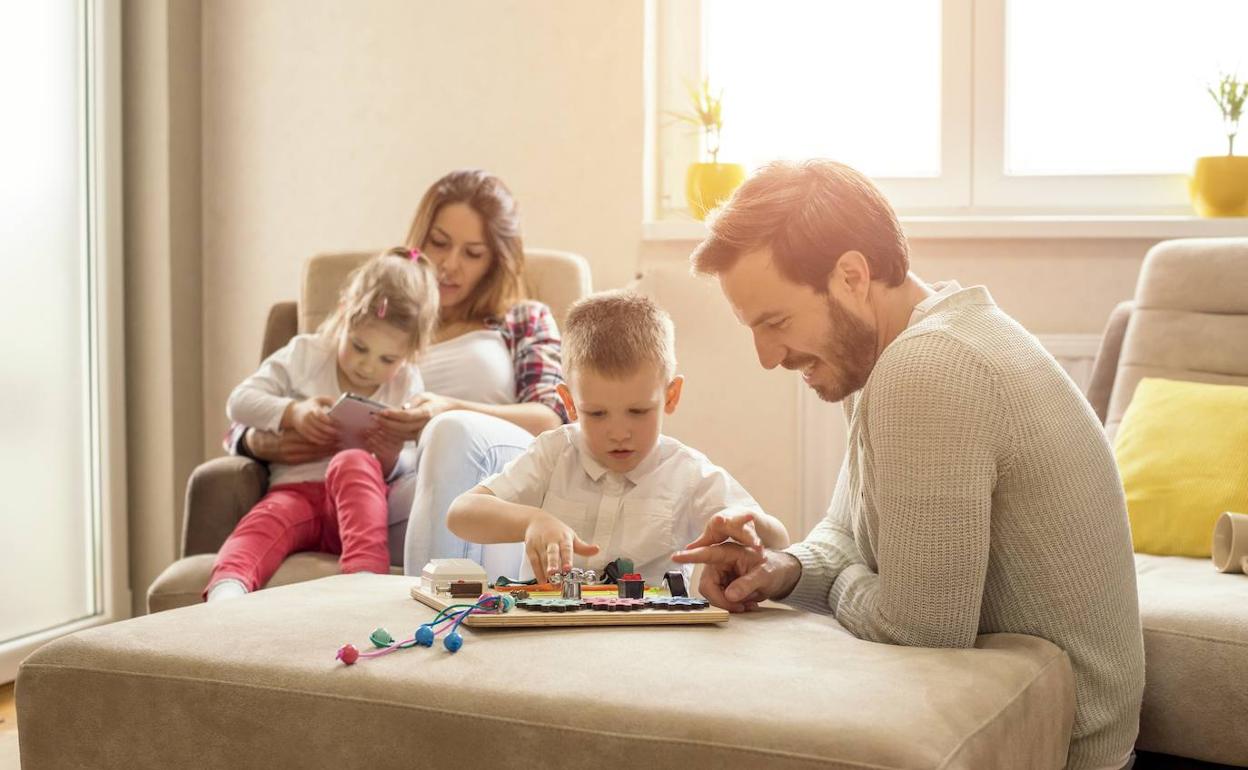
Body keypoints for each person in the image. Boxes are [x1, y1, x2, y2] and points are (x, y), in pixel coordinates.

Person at [671, 160, 1145, 770]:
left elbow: (920, 628)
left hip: (1061, 746)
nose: (767, 358)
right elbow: (848, 534)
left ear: (851, 275)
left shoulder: (929, 368)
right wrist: (780, 569)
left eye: (777, 322)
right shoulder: (889, 354)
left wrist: (841, 584)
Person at [229, 170, 569, 576]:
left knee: (449, 432)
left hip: (483, 481)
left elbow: (552, 421)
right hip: (384, 488)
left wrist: (446, 410)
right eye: (438, 243)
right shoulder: (375, 315)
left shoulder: (523, 319)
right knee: (369, 474)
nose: (448, 265)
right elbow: (273, 392)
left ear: (496, 260)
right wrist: (258, 443)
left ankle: (434, 594)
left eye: (473, 253)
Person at [446, 291, 788, 583]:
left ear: (670, 397)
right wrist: (532, 520)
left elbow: (779, 540)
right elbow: (461, 514)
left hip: (646, 643)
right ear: (570, 404)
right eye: (597, 414)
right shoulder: (555, 453)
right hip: (551, 636)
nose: (619, 433)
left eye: (638, 412)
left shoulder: (688, 472)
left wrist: (748, 523)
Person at [207, 248, 439, 601]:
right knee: (263, 524)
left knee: (354, 462)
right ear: (344, 314)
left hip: (361, 502)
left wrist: (391, 456)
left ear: (410, 354)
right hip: (296, 490)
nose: (367, 366)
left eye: (387, 358)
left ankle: (363, 586)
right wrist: (293, 413)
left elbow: (415, 460)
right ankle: (228, 588)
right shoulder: (306, 354)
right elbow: (239, 401)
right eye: (359, 346)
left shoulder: (406, 382)